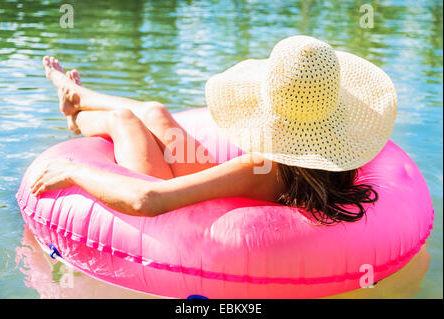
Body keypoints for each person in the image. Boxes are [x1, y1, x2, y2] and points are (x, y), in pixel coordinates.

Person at [31, 35, 397, 224]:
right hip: (220, 192)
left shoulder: (262, 168)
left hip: (179, 209)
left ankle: (75, 118)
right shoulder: (342, 160)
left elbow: (148, 200)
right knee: (155, 111)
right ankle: (76, 94)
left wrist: (74, 171)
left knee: (123, 119)